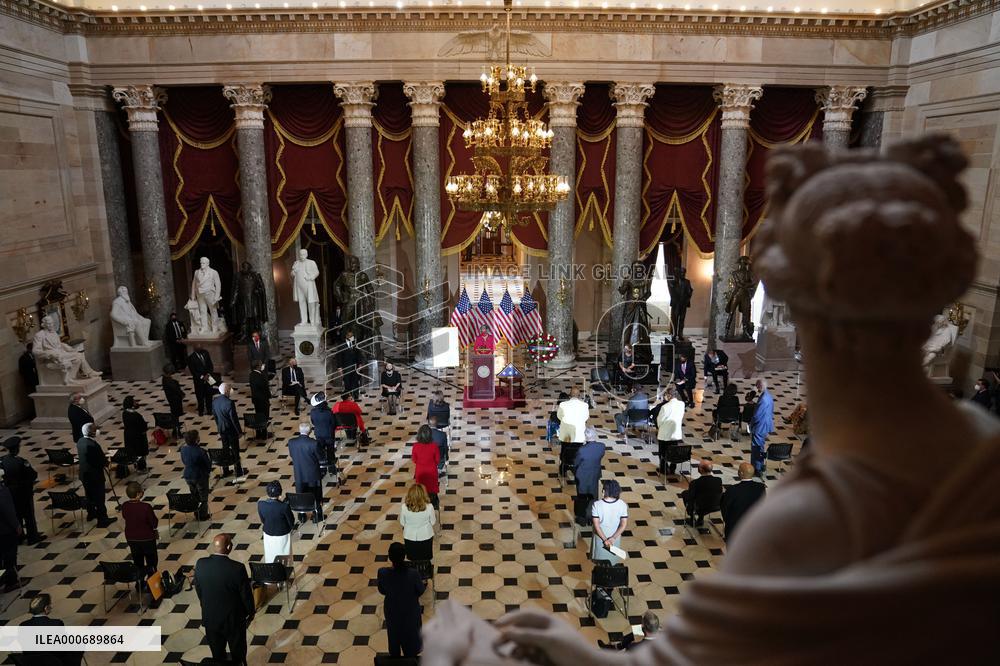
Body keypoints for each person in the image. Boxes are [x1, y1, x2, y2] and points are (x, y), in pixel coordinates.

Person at [194, 534, 254, 664]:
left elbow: (198, 589)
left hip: (211, 618)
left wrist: (205, 604)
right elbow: (246, 595)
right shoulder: (237, 568)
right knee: (238, 653)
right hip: (233, 620)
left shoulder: (200, 564)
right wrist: (251, 612)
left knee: (217, 655)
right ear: (229, 547)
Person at [377, 541, 426, 658]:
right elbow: (420, 590)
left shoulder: (382, 573)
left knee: (394, 638)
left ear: (390, 557)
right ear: (404, 556)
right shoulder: (413, 574)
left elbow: (382, 590)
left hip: (392, 612)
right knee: (412, 642)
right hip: (410, 612)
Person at [0, 437, 42, 544]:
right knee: (29, 516)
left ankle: (19, 537)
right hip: (24, 492)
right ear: (16, 449)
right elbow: (32, 475)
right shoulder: (22, 462)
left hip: (10, 492)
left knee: (16, 514)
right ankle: (33, 538)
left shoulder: (3, 461)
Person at [121, 482, 158, 592]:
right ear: (138, 494)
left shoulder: (125, 506)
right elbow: (154, 523)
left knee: (138, 562)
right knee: (152, 563)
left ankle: (140, 585)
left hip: (132, 538)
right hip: (147, 538)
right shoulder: (146, 507)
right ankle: (154, 588)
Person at [77, 422, 113, 528]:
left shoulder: (80, 441)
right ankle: (103, 520)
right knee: (99, 498)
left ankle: (91, 514)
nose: (97, 431)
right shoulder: (93, 445)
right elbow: (100, 460)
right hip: (95, 476)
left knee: (89, 495)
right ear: (91, 433)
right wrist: (107, 462)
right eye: (94, 429)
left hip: (84, 474)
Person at [720, 462, 767, 542]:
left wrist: (727, 521)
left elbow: (724, 508)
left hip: (735, 529)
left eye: (739, 470)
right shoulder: (761, 487)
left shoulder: (732, 490)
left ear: (741, 473)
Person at [288, 423, 324, 523]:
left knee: (300, 493)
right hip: (313, 474)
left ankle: (302, 516)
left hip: (299, 473)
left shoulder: (291, 442)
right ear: (310, 431)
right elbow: (321, 457)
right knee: (315, 495)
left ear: (299, 430)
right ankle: (317, 515)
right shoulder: (313, 443)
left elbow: (292, 455)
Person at [212, 383, 245, 481]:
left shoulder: (215, 401)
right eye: (229, 388)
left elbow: (215, 417)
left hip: (222, 429)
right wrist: (239, 431)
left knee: (225, 449)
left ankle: (226, 470)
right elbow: (234, 419)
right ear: (226, 390)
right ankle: (238, 471)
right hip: (231, 430)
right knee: (235, 450)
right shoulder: (229, 402)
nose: (231, 390)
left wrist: (219, 427)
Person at [591, 479, 627, 565]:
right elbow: (623, 525)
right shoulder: (622, 504)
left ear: (603, 491)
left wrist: (605, 540)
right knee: (613, 560)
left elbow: (597, 526)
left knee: (600, 561)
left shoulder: (597, 505)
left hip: (600, 537)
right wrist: (613, 538)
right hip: (615, 537)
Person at [257, 480, 295, 563]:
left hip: (268, 533)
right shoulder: (284, 506)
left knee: (270, 555)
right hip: (283, 535)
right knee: (284, 556)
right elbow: (291, 522)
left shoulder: (260, 504)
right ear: (280, 493)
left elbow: (263, 520)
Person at [399, 483, 436, 563]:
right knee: (425, 557)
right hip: (426, 536)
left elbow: (402, 523)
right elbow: (433, 522)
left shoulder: (404, 507)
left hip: (409, 536)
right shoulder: (429, 507)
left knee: (412, 558)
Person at [680, 460, 723, 526]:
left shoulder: (695, 483)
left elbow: (691, 497)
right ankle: (700, 519)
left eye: (699, 466)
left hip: (700, 507)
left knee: (685, 494)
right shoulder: (718, 480)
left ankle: (692, 519)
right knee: (704, 497)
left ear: (701, 469)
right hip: (716, 506)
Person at [180, 430, 211, 520]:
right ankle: (203, 515)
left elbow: (184, 461)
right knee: (203, 496)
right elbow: (208, 465)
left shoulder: (183, 449)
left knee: (194, 495)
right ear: (196, 439)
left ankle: (196, 512)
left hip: (188, 475)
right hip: (200, 476)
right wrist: (207, 473)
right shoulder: (201, 451)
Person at [0, 467, 21, 592]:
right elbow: (8, 512)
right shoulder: (2, 492)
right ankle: (11, 581)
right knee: (10, 556)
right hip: (6, 530)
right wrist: (17, 525)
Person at [656, 387, 685, 475]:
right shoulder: (682, 404)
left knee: (662, 452)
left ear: (669, 395)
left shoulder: (665, 407)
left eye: (665, 395)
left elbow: (659, 421)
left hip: (664, 434)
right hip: (676, 433)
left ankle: (663, 469)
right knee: (673, 452)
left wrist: (660, 427)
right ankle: (672, 469)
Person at [411, 425, 440, 509]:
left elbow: (414, 459)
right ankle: (433, 507)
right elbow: (437, 460)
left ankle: (421, 506)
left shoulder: (415, 446)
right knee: (432, 491)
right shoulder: (434, 446)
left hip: (420, 472)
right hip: (432, 472)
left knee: (421, 491)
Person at [750, 378, 774, 476]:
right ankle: (760, 465)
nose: (756, 388)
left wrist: (751, 423)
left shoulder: (763, 399)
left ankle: (757, 468)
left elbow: (757, 415)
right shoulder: (769, 396)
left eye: (757, 386)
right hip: (766, 424)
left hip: (760, 426)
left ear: (760, 386)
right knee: (761, 445)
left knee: (756, 447)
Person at [574, 427, 605, 499]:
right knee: (594, 492)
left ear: (586, 436)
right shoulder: (602, 446)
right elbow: (601, 456)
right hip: (595, 473)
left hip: (582, 475)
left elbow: (576, 462)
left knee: (582, 495)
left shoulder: (582, 449)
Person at [310, 392, 337, 476]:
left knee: (320, 452)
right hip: (329, 435)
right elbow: (333, 423)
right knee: (330, 452)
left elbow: (313, 422)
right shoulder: (329, 412)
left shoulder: (313, 412)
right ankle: (332, 469)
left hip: (318, 434)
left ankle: (322, 470)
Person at [122, 395, 149, 471]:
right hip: (138, 437)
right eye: (134, 402)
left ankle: (136, 465)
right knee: (141, 452)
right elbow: (143, 426)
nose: (136, 402)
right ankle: (142, 467)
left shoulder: (124, 413)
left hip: (128, 436)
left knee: (133, 452)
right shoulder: (136, 415)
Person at [188, 346, 215, 416]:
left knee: (209, 394)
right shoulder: (191, 358)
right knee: (200, 396)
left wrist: (208, 375)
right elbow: (193, 371)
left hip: (209, 377)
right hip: (199, 380)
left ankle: (209, 410)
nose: (201, 349)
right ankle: (201, 411)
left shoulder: (206, 353)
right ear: (195, 349)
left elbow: (210, 365)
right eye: (199, 348)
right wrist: (203, 377)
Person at [668, 265, 693, 340]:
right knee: (675, 320)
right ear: (678, 273)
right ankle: (674, 334)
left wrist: (688, 297)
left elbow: (690, 291)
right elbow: (672, 291)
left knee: (682, 320)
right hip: (676, 304)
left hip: (683, 304)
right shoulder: (674, 281)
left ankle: (680, 334)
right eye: (681, 273)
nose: (682, 274)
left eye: (684, 273)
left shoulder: (687, 282)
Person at [248, 361, 271, 440]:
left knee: (258, 416)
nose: (262, 366)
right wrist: (269, 396)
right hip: (263, 400)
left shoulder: (251, 375)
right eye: (261, 365)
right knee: (265, 417)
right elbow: (265, 388)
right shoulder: (260, 376)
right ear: (258, 366)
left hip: (256, 400)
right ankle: (264, 435)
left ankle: (258, 434)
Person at [162, 364, 186, 439]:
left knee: (176, 417)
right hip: (174, 400)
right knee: (175, 417)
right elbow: (176, 389)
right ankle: (177, 432)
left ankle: (176, 431)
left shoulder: (166, 379)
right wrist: (182, 394)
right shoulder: (168, 381)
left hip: (173, 400)